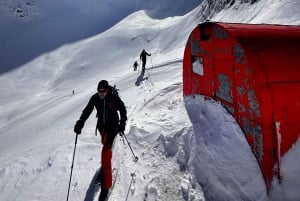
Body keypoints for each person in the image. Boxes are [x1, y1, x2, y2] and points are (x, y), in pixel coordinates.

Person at [74, 80, 127, 201]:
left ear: (107, 90)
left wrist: (123, 122)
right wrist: (81, 121)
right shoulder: (95, 98)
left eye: (103, 91)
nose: (101, 93)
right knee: (104, 146)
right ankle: (105, 164)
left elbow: (122, 109)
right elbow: (87, 110)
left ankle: (106, 187)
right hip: (102, 128)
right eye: (99, 91)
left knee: (105, 152)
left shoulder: (113, 98)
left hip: (113, 127)